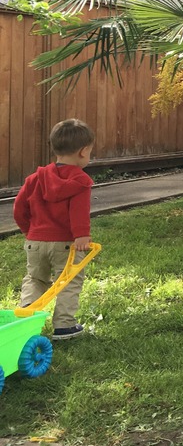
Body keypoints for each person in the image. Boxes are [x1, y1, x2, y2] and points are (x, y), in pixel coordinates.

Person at [14, 118, 96, 340]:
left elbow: (19, 207)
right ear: (83, 151)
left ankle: (27, 316)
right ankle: (64, 326)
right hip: (67, 243)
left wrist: (28, 230)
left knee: (36, 279)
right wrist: (81, 235)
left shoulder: (35, 178)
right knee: (68, 281)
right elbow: (79, 211)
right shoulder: (80, 180)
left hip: (35, 241)